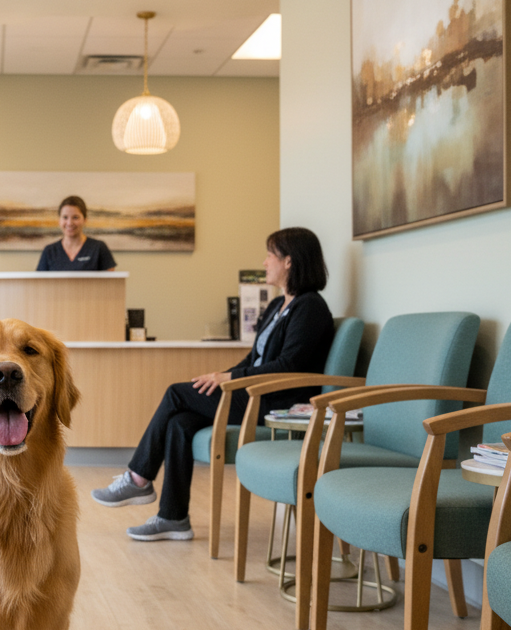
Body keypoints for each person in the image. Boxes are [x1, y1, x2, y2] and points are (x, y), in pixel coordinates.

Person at [90, 227, 335, 542]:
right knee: (180, 422)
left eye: (270, 255)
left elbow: (290, 366)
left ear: (289, 261)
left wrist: (230, 379)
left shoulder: (310, 307)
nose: (264, 263)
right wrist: (221, 376)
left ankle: (138, 478)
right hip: (253, 393)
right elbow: (252, 359)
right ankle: (173, 518)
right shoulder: (278, 306)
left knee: (176, 393)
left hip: (277, 401)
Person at [36, 195, 116, 272]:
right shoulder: (49, 251)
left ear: (85, 220)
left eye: (75, 217)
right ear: (59, 220)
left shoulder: (99, 248)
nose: (70, 223)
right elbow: (39, 284)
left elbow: (110, 284)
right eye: (65, 217)